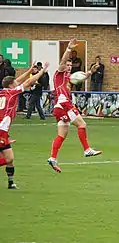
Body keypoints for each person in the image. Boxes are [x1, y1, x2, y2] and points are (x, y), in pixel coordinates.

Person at [47, 38, 101, 173]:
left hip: (59, 108)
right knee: (82, 125)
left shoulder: (68, 78)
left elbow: (80, 77)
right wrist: (69, 49)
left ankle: (53, 158)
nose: (69, 67)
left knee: (62, 135)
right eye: (68, 65)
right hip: (64, 105)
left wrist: (91, 71)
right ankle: (87, 150)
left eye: (70, 66)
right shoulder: (59, 74)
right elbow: (62, 62)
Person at [0, 62, 49, 189]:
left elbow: (18, 80)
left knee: (9, 159)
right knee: (6, 159)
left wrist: (28, 71)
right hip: (0, 131)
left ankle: (11, 183)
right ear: (11, 86)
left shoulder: (5, 92)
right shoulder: (12, 93)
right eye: (15, 84)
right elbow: (27, 83)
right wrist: (41, 71)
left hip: (4, 132)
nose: (18, 84)